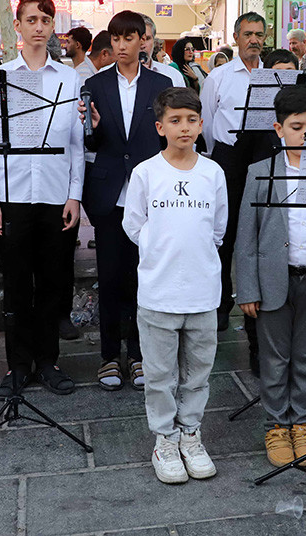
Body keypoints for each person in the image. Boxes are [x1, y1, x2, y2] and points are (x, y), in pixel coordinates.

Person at [235, 85, 306, 468]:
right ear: (279, 129)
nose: (305, 134)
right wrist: (246, 288)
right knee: (274, 358)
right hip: (273, 279)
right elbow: (246, 235)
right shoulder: (260, 172)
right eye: (297, 127)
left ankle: (302, 423)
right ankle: (276, 424)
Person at [123, 87, 227, 484]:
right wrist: (158, 250)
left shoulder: (213, 173)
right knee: (160, 374)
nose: (184, 128)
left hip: (202, 292)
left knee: (198, 372)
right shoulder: (146, 172)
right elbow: (134, 224)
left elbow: (218, 228)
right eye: (175, 120)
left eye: (191, 120)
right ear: (160, 127)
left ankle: (190, 434)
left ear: (201, 125)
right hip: (159, 292)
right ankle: (164, 439)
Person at [0, 0, 83, 399]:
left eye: (45, 20)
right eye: (31, 19)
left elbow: (76, 143)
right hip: (13, 195)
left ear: (53, 26)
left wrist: (74, 195)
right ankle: (18, 365)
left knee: (54, 282)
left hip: (56, 195)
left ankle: (49, 362)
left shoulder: (68, 78)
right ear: (18, 26)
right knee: (17, 285)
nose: (39, 27)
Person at [82, 10, 172, 390]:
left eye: (129, 38)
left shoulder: (161, 83)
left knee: (143, 278)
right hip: (108, 194)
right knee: (109, 277)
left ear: (142, 41)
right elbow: (89, 142)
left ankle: (138, 354)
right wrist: (93, 128)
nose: (121, 45)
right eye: (115, 38)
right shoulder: (95, 83)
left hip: (149, 193)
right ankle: (108, 356)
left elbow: (167, 137)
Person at [201, 12, 265, 345]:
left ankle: (261, 302)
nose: (253, 40)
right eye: (248, 34)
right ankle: (222, 303)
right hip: (229, 157)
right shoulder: (219, 76)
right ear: (236, 37)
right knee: (224, 233)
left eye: (259, 34)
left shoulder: (275, 76)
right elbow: (208, 121)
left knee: (262, 231)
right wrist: (219, 158)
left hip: (264, 156)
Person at [140, 14, 186, 88]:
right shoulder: (119, 76)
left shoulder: (172, 75)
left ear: (153, 41)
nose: (142, 45)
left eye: (147, 38)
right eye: (138, 39)